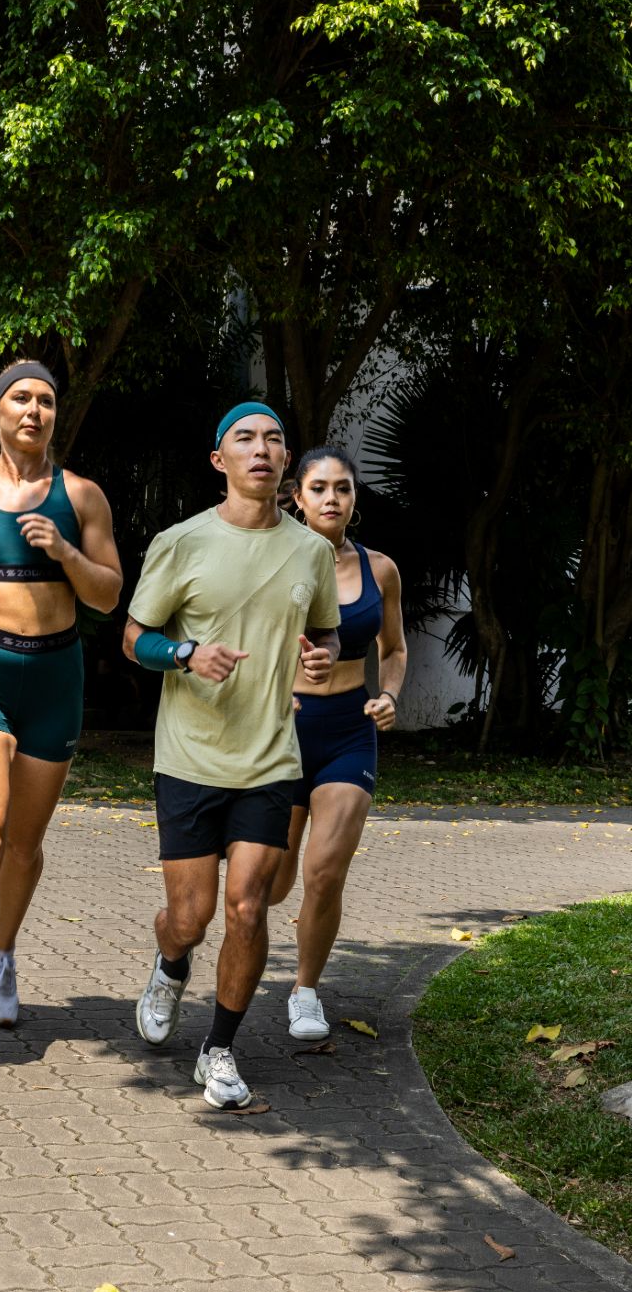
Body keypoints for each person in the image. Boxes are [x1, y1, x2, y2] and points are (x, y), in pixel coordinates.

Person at [125, 402, 340, 1110]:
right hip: (188, 757)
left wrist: (322, 653)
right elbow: (135, 638)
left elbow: (326, 635)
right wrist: (185, 652)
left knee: (247, 908)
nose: (262, 449)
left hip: (272, 759)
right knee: (190, 916)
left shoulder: (311, 550)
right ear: (219, 460)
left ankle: (217, 1049)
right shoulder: (180, 542)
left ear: (285, 463)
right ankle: (171, 962)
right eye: (244, 439)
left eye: (274, 439)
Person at [0, 360, 122, 1069]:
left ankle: (0, 955)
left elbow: (106, 594)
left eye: (45, 401)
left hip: (54, 681)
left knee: (24, 848)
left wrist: (63, 549)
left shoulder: (82, 496)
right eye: (21, 400)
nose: (34, 411)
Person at [271, 446, 407, 1042]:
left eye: (343, 489)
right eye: (319, 488)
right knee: (271, 883)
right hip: (280, 731)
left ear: (355, 499)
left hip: (349, 732)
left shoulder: (381, 570)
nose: (332, 499)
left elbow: (395, 649)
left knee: (324, 872)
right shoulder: (269, 560)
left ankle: (305, 990)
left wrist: (391, 697)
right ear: (297, 497)